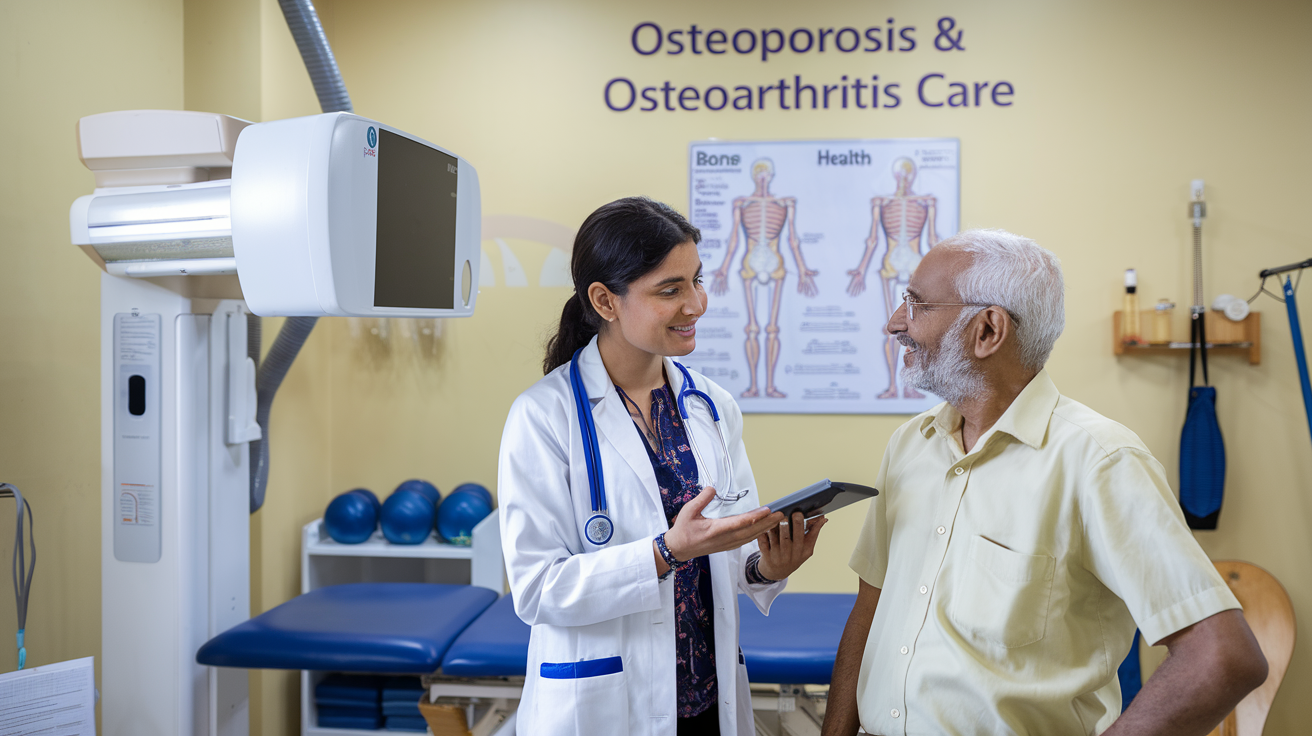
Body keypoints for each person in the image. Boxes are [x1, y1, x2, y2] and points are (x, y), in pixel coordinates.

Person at [823, 229, 1268, 736]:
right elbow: (871, 606)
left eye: (916, 304)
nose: (896, 323)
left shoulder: (1101, 461)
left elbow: (1224, 656)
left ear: (987, 331)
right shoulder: (910, 444)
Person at [499, 196, 828, 736]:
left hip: (706, 704)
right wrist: (664, 552)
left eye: (697, 281)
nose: (696, 304)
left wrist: (768, 565)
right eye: (670, 290)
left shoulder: (711, 406)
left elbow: (734, 551)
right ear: (605, 301)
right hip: (607, 707)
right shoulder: (543, 416)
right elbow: (538, 589)